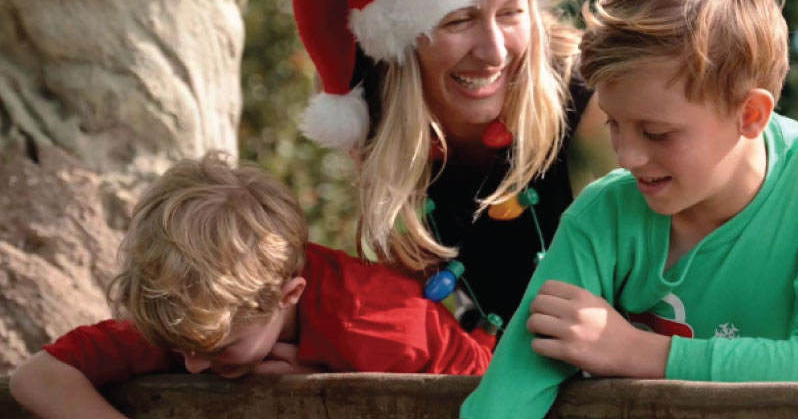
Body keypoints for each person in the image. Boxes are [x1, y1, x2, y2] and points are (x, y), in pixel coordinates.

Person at [461, 0, 798, 418]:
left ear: (750, 114)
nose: (628, 156)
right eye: (614, 124)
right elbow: (503, 404)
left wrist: (636, 351)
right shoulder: (603, 215)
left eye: (657, 133)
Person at [289, 0, 613, 332]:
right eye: (459, 20)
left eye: (510, 13)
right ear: (403, 41)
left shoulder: (594, 104)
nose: (494, 51)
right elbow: (411, 295)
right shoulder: (377, 117)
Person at [10, 153, 493, 419]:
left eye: (215, 348)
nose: (193, 366)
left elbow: (484, 382)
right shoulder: (189, 317)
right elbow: (36, 377)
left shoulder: (375, 325)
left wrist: (329, 394)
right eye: (185, 349)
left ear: (288, 296)